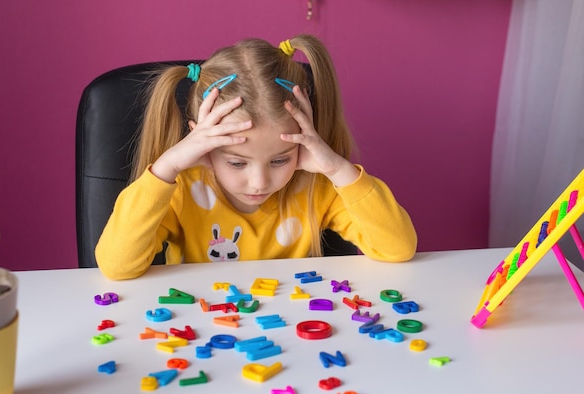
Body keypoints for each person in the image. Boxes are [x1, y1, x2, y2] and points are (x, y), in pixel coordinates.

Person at [95, 34, 417, 280]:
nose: (259, 182)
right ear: (202, 144)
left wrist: (337, 168)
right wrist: (166, 169)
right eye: (236, 162)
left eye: (280, 160)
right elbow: (116, 266)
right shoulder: (182, 189)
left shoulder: (317, 187)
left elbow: (398, 248)